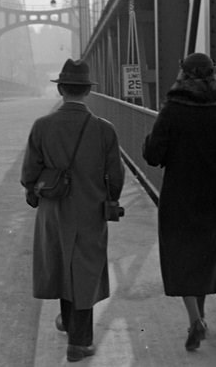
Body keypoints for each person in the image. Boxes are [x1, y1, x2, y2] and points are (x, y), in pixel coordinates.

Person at [20, 58, 125, 362]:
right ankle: (79, 342)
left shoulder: (42, 126)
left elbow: (28, 174)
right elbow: (115, 177)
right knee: (84, 269)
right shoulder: (104, 130)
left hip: (53, 212)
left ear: (62, 89)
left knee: (61, 263)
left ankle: (68, 323)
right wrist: (110, 199)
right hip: (89, 211)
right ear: (87, 92)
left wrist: (36, 189)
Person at [142, 52, 216, 351]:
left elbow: (153, 156)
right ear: (213, 74)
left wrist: (150, 140)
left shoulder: (172, 111)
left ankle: (195, 319)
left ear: (182, 75)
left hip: (179, 195)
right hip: (213, 196)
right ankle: (198, 318)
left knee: (180, 253)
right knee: (203, 255)